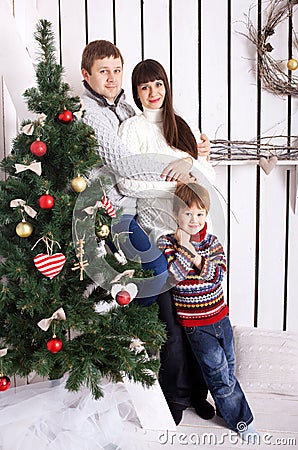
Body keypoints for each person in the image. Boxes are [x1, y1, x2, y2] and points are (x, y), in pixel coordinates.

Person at [80, 41, 213, 425]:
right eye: (104, 71)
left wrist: (191, 160)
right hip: (131, 218)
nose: (112, 78)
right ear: (86, 74)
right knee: (166, 311)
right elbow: (126, 173)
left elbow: (204, 176)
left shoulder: (145, 113)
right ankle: (167, 395)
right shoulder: (107, 117)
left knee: (192, 315)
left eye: (117, 70)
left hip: (185, 226)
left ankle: (192, 392)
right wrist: (177, 173)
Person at [157, 182, 259, 440]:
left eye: (200, 214)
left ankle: (227, 410)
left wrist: (194, 253)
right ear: (176, 214)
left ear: (207, 215)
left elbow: (217, 276)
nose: (194, 220)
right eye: (187, 214)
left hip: (221, 318)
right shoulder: (167, 243)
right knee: (219, 375)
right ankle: (243, 422)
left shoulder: (213, 243)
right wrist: (186, 249)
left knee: (228, 368)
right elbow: (173, 277)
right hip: (197, 326)